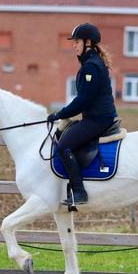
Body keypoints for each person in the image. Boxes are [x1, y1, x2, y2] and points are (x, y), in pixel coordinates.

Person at [47, 23, 118, 206]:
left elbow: (83, 101)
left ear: (88, 42)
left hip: (98, 119)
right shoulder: (91, 62)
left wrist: (59, 114)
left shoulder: (90, 67)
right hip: (95, 117)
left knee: (63, 146)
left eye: (77, 41)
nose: (74, 45)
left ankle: (79, 192)